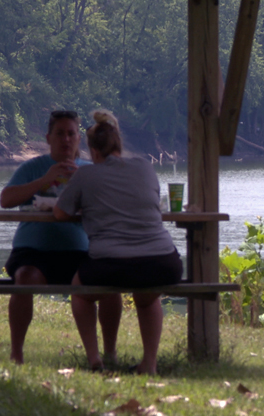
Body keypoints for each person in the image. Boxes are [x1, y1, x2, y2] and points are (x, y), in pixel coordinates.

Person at [54, 109, 183, 374]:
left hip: (111, 263)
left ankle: (95, 359)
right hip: (163, 262)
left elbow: (60, 212)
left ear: (93, 150)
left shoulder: (86, 175)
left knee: (80, 291)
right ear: (119, 143)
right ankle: (149, 362)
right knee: (147, 297)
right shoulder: (145, 167)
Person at [0, 110, 123, 365]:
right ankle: (17, 354)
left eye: (71, 134)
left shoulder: (91, 170)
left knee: (111, 284)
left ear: (79, 139)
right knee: (24, 278)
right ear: (48, 138)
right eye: (59, 134)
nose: (66, 139)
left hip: (80, 252)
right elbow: (5, 200)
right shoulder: (31, 167)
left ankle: (109, 354)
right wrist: (45, 179)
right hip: (33, 251)